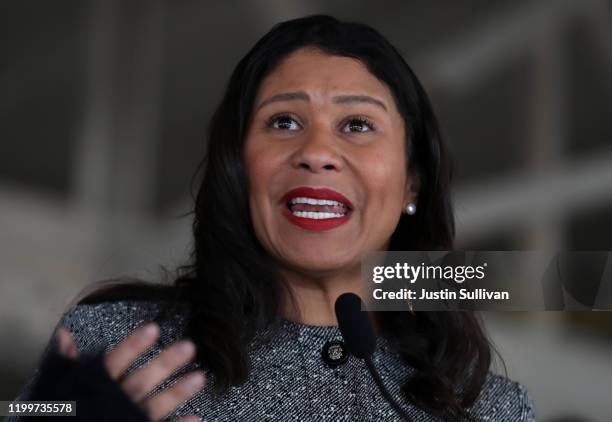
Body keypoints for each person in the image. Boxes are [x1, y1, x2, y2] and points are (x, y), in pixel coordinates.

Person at [8, 14, 536, 422]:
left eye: (357, 124)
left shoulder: (488, 407)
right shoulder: (115, 338)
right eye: (284, 121)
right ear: (240, 170)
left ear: (411, 184)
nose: (317, 151)